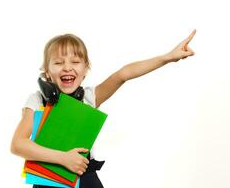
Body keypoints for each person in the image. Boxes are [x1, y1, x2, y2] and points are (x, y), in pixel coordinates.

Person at [11, 30, 196, 188]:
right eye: (58, 63)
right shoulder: (37, 100)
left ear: (85, 69)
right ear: (47, 72)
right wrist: (63, 158)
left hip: (86, 177)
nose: (67, 68)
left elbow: (124, 74)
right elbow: (18, 144)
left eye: (75, 62)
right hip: (48, 180)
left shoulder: (89, 97)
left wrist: (167, 57)